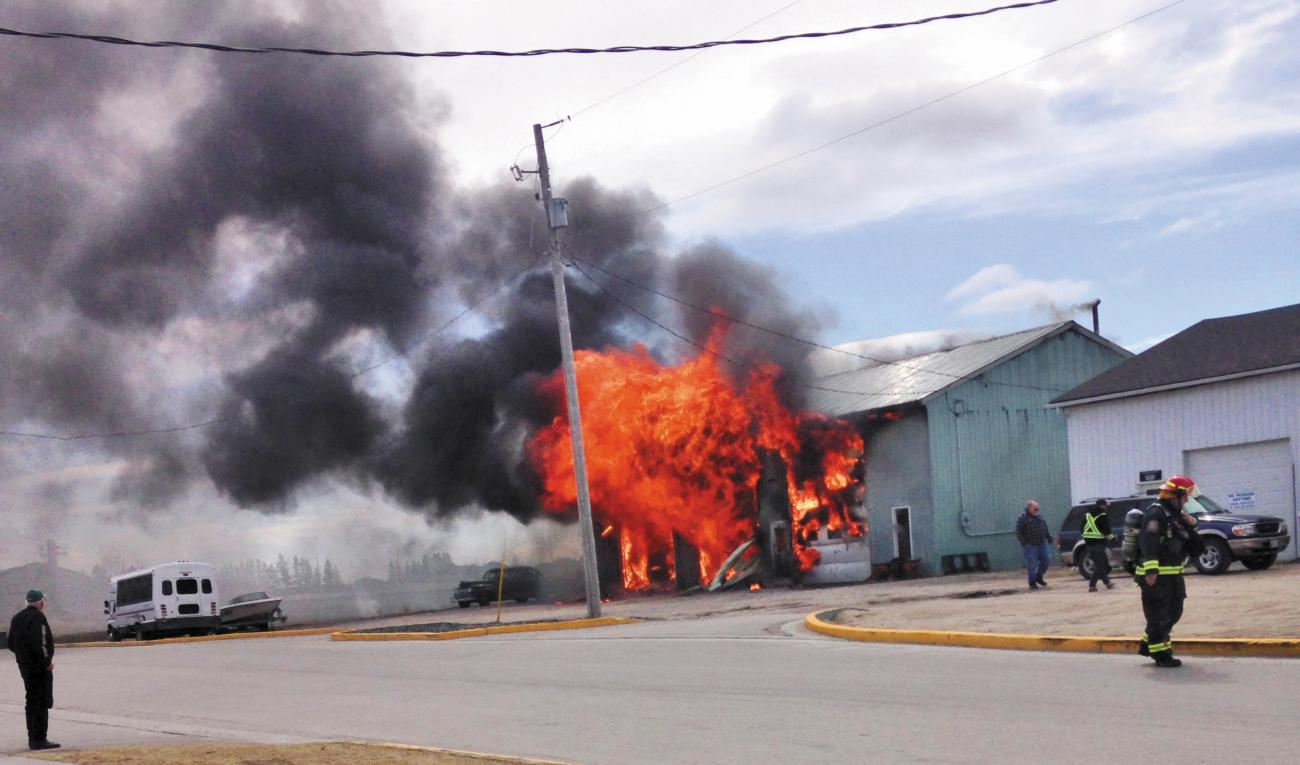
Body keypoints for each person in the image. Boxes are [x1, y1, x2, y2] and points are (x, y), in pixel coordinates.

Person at [1136, 475, 1203, 668]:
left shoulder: (1173, 514)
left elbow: (1187, 537)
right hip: (1156, 576)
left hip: (1173, 573)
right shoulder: (1155, 514)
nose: (1187, 500)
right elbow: (1149, 542)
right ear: (1176, 495)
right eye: (1186, 496)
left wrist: (1191, 522)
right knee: (1159, 617)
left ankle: (1147, 644)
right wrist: (1151, 571)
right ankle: (1161, 654)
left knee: (1174, 612)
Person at [7, 590, 60, 750]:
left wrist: (23, 656)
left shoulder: (17, 618)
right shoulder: (38, 617)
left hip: (24, 666)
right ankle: (39, 739)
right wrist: (46, 662)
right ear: (41, 603)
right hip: (38, 667)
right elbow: (40, 643)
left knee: (31, 699)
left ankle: (33, 737)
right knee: (41, 700)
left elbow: (11, 643)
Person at [1015, 500, 1053, 590]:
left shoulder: (1040, 517)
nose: (1037, 509)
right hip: (1030, 545)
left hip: (1042, 544)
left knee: (1046, 560)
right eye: (1035, 508)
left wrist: (1048, 537)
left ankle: (1039, 576)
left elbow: (1044, 528)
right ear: (1029, 508)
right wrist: (1024, 543)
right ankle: (1032, 583)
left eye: (1037, 508)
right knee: (1031, 565)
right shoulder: (1023, 518)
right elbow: (1018, 532)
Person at [1082, 498, 1116, 592]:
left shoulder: (1087, 515)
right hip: (1099, 543)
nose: (1106, 507)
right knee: (1100, 565)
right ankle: (1093, 585)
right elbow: (1106, 530)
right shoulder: (1102, 515)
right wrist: (1113, 538)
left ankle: (1106, 583)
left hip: (1088, 543)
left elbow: (1082, 528)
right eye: (1105, 505)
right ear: (1101, 505)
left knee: (1099, 564)